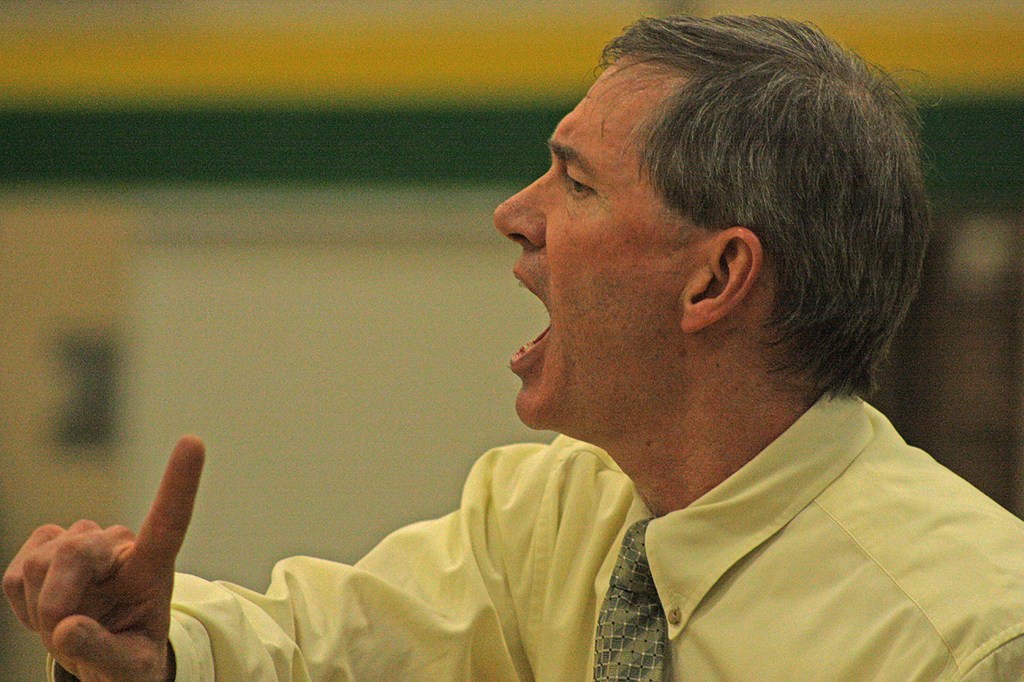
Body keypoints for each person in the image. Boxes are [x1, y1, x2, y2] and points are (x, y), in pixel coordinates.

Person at [6, 14, 1024, 681]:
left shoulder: (967, 638)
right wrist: (165, 646)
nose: (512, 214)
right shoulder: (555, 513)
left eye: (574, 184)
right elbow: (328, 644)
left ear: (715, 278)